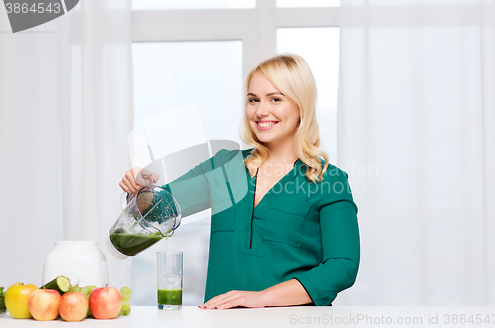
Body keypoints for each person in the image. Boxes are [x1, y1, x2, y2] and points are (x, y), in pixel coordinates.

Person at [119, 54, 360, 309]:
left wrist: (262, 298)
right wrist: (141, 187)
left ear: (302, 105)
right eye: (253, 100)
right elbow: (156, 210)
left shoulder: (328, 180)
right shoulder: (227, 167)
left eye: (275, 99)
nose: (260, 111)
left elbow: (342, 266)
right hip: (221, 321)